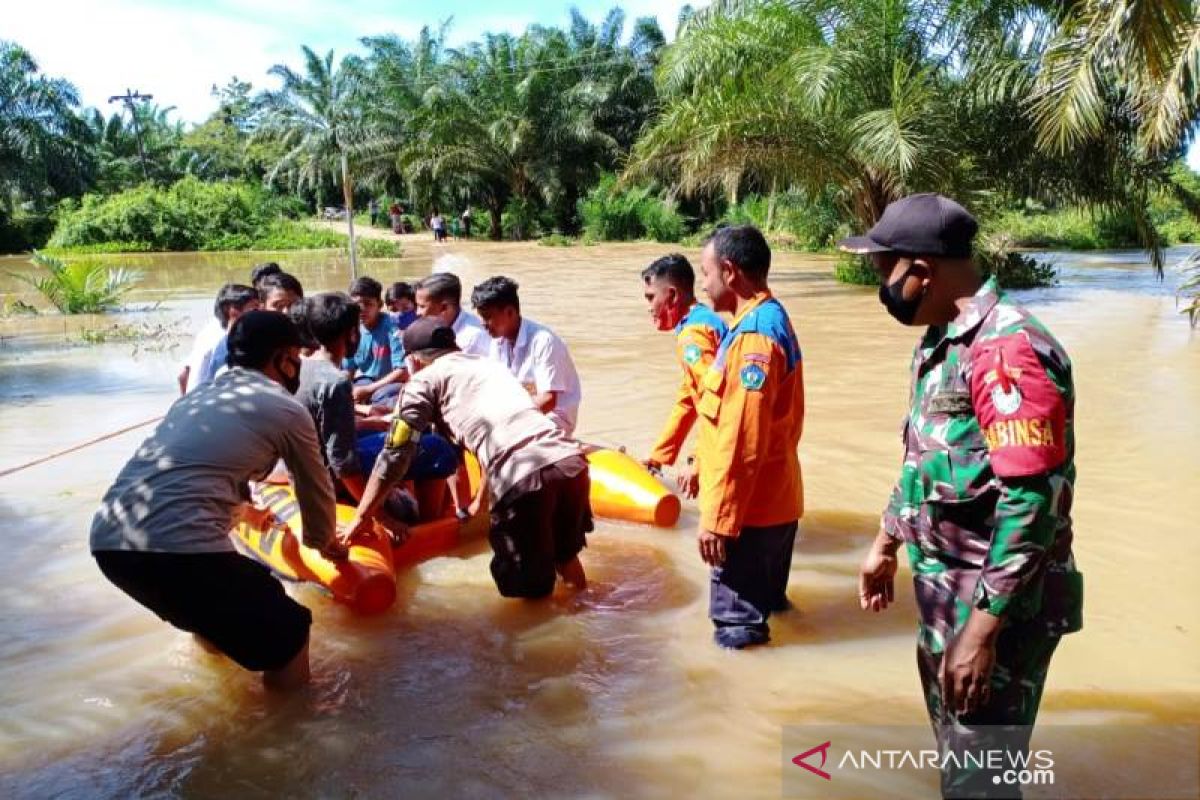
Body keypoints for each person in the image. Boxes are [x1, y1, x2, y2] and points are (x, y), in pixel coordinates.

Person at [847, 194, 1083, 798]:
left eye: (882, 269)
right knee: (961, 771)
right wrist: (885, 540)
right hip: (945, 597)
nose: (880, 284)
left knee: (984, 784)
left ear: (920, 271)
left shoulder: (1007, 351)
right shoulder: (941, 340)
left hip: (997, 612)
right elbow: (924, 459)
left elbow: (1033, 500)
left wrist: (981, 631)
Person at [89, 311, 345, 691]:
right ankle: (293, 737)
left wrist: (245, 512)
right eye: (296, 358)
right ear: (281, 359)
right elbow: (314, 487)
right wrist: (327, 545)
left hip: (111, 543)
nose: (298, 368)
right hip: (178, 547)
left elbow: (207, 471)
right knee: (290, 631)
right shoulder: (285, 409)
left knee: (210, 617)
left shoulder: (198, 398)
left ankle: (217, 695)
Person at [339, 317, 591, 598]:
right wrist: (480, 505)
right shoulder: (491, 367)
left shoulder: (423, 381)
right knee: (565, 556)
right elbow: (499, 438)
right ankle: (586, 607)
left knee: (528, 589)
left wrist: (364, 515)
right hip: (571, 462)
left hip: (524, 476)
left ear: (414, 360)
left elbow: (395, 454)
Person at [694, 225, 804, 649]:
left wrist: (719, 521)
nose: (703, 286)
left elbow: (743, 438)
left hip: (749, 516)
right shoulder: (769, 318)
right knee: (771, 608)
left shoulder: (753, 337)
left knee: (738, 633)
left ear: (729, 271)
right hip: (777, 505)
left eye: (705, 274)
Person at [295, 293, 450, 531]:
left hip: (307, 467)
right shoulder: (335, 381)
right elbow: (342, 462)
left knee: (397, 433)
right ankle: (429, 525)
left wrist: (371, 422)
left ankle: (398, 494)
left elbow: (323, 425)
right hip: (327, 475)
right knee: (437, 447)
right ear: (352, 334)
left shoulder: (302, 365)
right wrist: (379, 518)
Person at [639, 254, 729, 497]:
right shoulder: (705, 319)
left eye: (651, 298)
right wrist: (660, 456)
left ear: (672, 295)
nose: (649, 307)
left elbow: (715, 399)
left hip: (726, 444)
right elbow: (689, 398)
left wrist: (697, 462)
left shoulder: (693, 336)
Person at [471, 276, 582, 435]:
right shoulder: (497, 342)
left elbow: (548, 401)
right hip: (517, 413)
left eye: (488, 317)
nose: (482, 323)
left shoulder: (544, 341)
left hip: (552, 418)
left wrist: (505, 419)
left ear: (510, 312)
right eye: (481, 317)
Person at [343, 276, 406, 403]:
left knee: (385, 397)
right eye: (357, 305)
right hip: (366, 381)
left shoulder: (392, 328)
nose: (361, 310)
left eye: (368, 304)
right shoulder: (352, 330)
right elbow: (349, 369)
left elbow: (403, 371)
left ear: (380, 305)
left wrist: (369, 390)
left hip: (390, 382)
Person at [197, 284, 260, 387]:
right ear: (233, 312)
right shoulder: (219, 345)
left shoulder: (244, 340)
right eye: (255, 310)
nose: (261, 314)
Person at [414, 272, 490, 356]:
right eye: (417, 305)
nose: (417, 313)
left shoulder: (469, 340)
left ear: (444, 308)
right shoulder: (436, 328)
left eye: (422, 306)